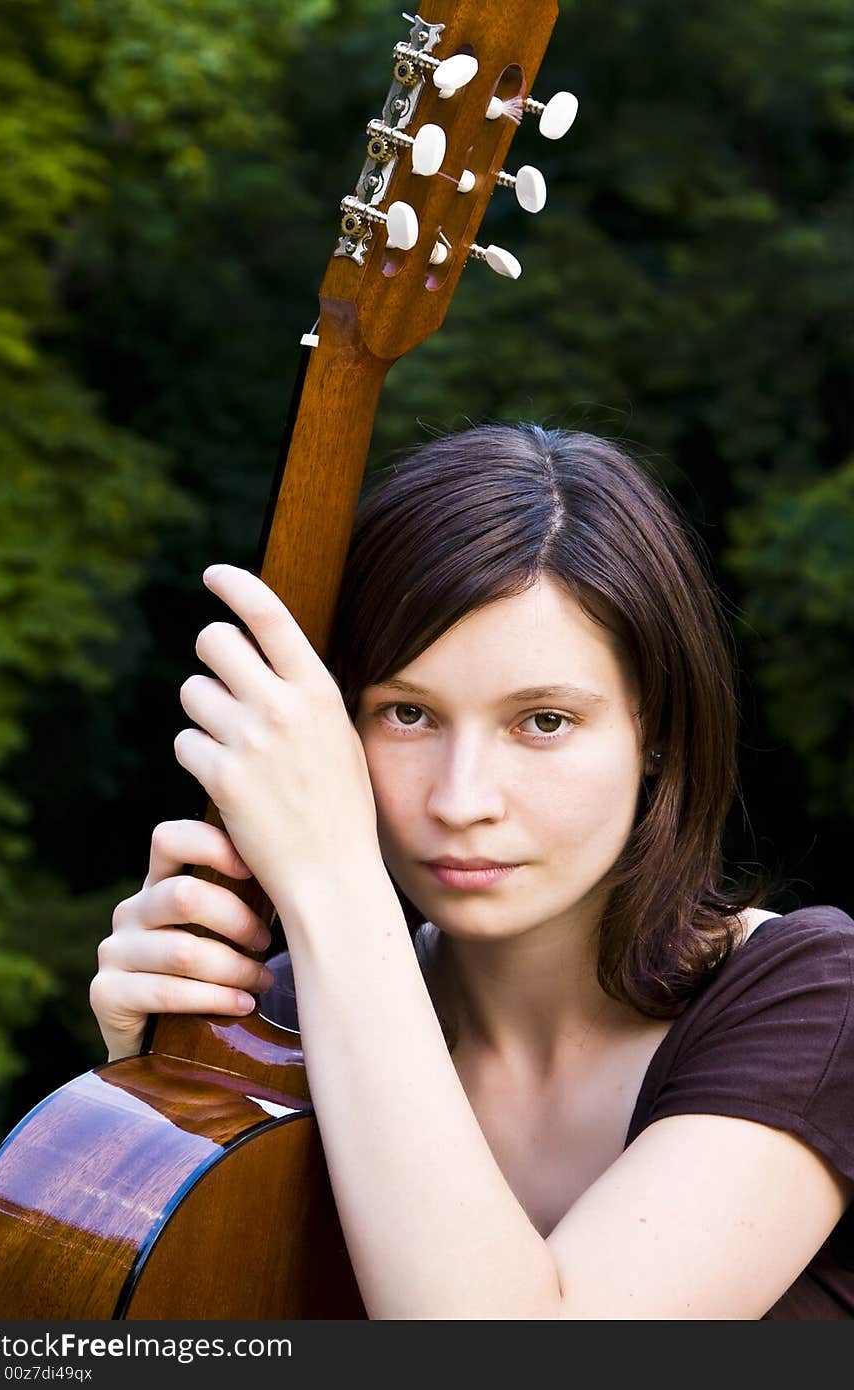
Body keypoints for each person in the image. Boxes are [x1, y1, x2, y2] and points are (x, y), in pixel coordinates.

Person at [90, 422, 854, 1319]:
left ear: (657, 733)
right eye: (407, 713)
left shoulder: (811, 1000)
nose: (462, 800)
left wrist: (334, 884)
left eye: (543, 722)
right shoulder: (279, 1022)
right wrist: (151, 1104)